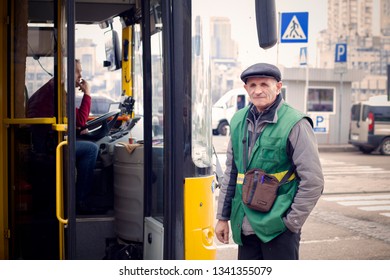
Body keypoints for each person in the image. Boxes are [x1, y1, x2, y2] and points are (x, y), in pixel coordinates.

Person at [215, 63, 324, 260]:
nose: (258, 90)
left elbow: (313, 181)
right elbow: (232, 173)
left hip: (278, 227)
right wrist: (223, 218)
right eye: (252, 85)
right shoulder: (238, 120)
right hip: (245, 224)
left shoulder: (295, 123)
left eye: (264, 84)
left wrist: (290, 223)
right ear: (246, 89)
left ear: (278, 86)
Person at [27, 59, 99, 214]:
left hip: (45, 142)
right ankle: (80, 201)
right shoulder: (57, 92)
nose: (81, 76)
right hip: (50, 147)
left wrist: (78, 130)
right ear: (67, 73)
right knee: (91, 149)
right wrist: (87, 93)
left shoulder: (53, 89)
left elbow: (74, 119)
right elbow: (80, 120)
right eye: (78, 71)